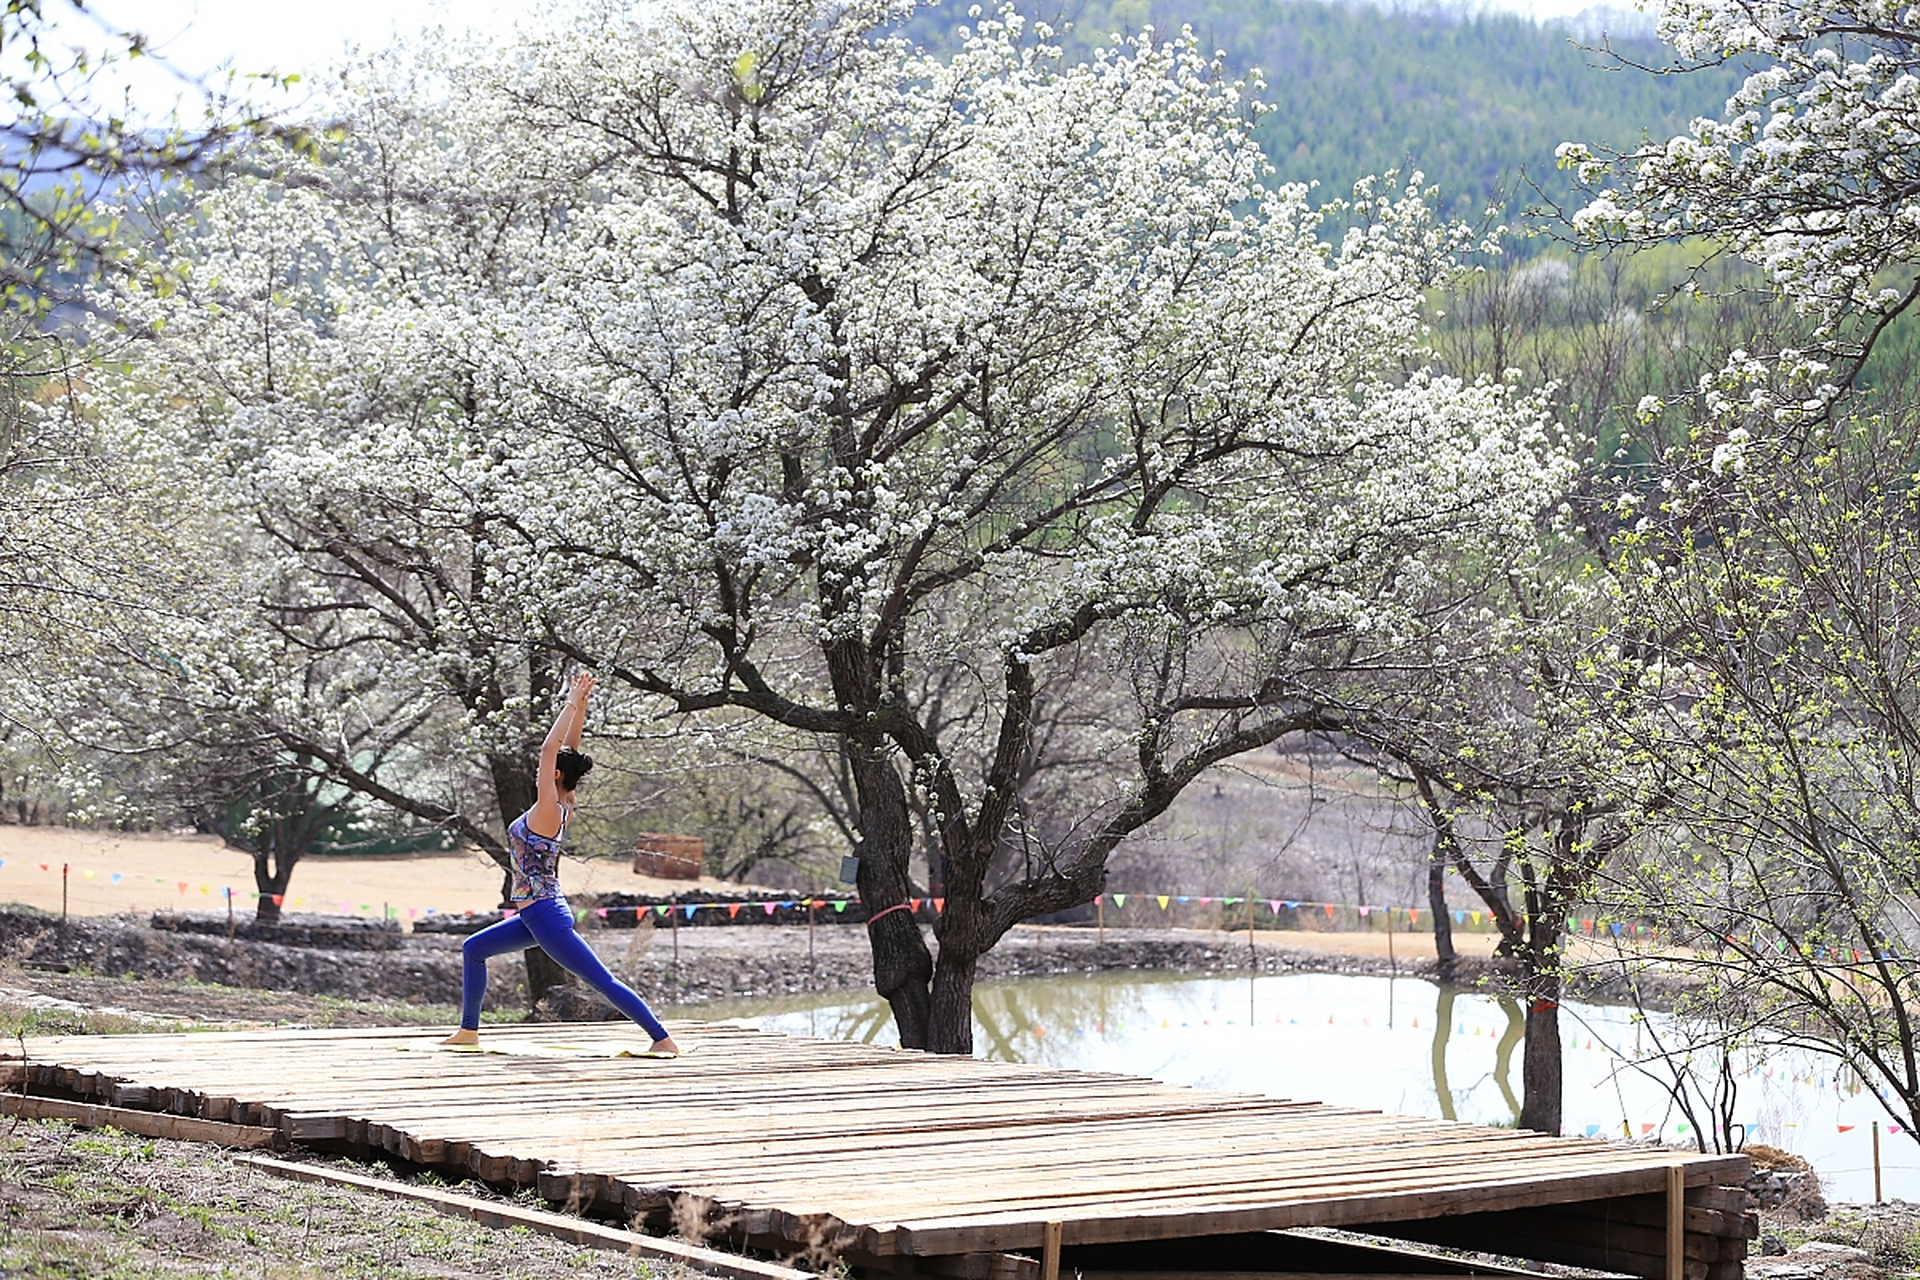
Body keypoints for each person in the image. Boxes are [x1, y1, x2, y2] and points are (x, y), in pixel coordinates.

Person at [442, 671, 680, 1055]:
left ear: (553, 776)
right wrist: (580, 704)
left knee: (601, 981)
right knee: (474, 949)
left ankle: (662, 1039)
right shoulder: (564, 803)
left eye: (547, 770)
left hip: (546, 916)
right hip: (536, 914)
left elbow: (550, 750)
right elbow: (566, 750)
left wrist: (570, 702)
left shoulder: (548, 809)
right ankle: (469, 1031)